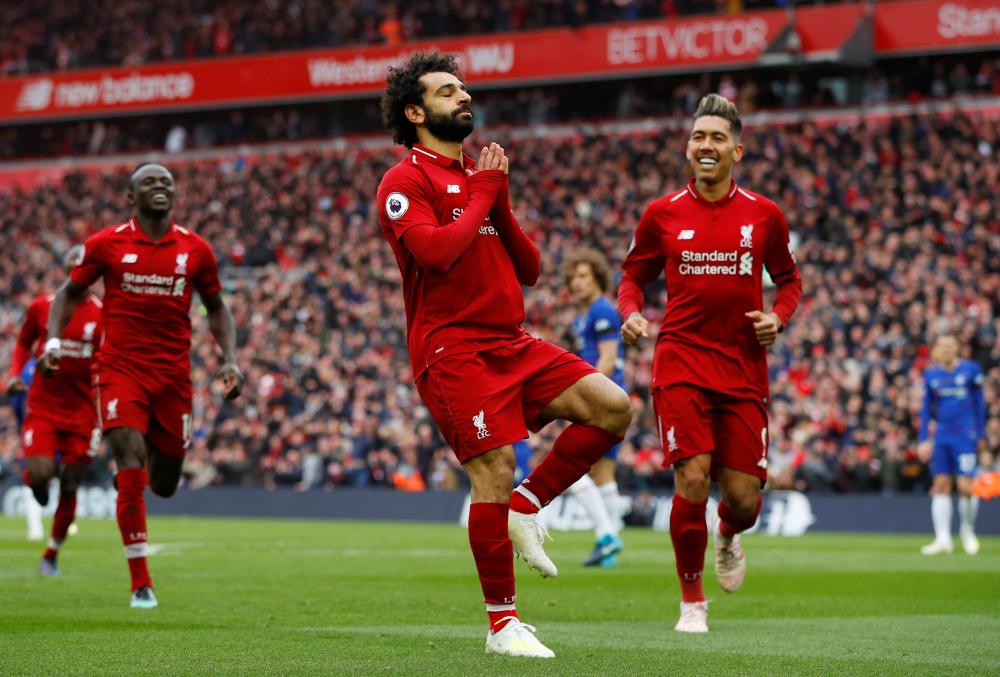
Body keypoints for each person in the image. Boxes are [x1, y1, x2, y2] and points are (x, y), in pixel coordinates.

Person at [377, 52, 632, 658]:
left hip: (511, 341)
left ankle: (527, 505)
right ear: (415, 112)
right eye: (446, 92)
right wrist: (485, 191)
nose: (463, 97)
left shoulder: (478, 179)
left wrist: (500, 199)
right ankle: (502, 626)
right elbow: (438, 254)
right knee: (490, 468)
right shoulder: (403, 182)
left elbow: (532, 269)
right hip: (452, 349)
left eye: (464, 89)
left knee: (612, 407)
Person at [618, 94, 801, 633]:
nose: (706, 145)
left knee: (744, 500)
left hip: (743, 367)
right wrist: (631, 313)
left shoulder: (764, 215)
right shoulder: (662, 213)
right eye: (698, 136)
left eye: (717, 137)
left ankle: (728, 534)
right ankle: (691, 602)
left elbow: (789, 281)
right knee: (692, 476)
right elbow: (633, 275)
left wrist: (779, 318)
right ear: (687, 147)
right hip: (679, 359)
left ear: (737, 150)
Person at [41, 163, 244, 609]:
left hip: (173, 377)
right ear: (131, 197)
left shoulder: (196, 249)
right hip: (119, 369)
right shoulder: (107, 243)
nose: (160, 187)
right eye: (149, 182)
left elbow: (216, 307)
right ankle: (141, 583)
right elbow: (67, 294)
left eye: (166, 182)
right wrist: (54, 339)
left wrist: (230, 360)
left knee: (166, 483)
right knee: (129, 457)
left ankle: (131, 481)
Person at [6, 245, 102, 571]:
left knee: (72, 483)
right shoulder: (41, 307)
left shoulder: (103, 315)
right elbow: (22, 343)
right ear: (66, 270)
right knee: (41, 473)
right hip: (44, 406)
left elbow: (109, 362)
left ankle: (51, 552)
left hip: (83, 412)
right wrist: (15, 374)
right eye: (76, 266)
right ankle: (36, 482)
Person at [563, 249, 627, 567]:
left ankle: (606, 535)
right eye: (573, 277)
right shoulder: (590, 313)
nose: (576, 283)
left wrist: (587, 393)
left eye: (583, 276)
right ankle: (611, 546)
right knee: (603, 474)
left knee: (569, 468)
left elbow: (609, 358)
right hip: (612, 397)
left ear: (598, 278)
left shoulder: (602, 310)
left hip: (600, 398)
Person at [917, 333, 987, 555]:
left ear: (957, 348)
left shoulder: (971, 370)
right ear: (937, 349)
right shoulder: (931, 374)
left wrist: (981, 435)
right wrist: (923, 439)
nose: (946, 349)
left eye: (949, 345)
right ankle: (943, 539)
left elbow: (980, 405)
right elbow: (926, 409)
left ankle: (967, 531)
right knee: (941, 485)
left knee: (966, 486)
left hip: (965, 436)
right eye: (942, 346)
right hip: (942, 436)